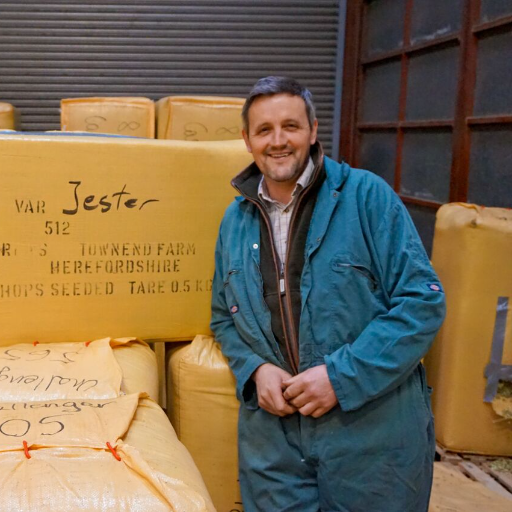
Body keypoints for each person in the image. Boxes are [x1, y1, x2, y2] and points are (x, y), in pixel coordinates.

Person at [211, 76, 446, 512]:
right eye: (264, 130)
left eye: (291, 126)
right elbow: (224, 315)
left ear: (314, 131)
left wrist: (342, 377)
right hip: (274, 446)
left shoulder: (367, 198)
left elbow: (422, 302)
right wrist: (255, 368)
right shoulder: (236, 220)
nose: (278, 141)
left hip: (371, 439)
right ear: (247, 140)